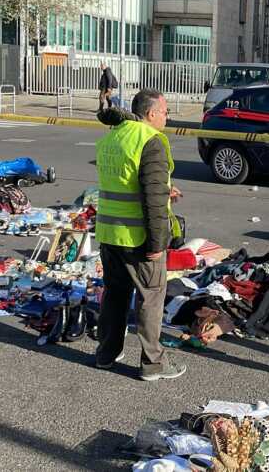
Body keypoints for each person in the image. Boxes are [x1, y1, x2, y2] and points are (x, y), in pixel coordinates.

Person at [94, 89, 186, 382]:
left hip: (110, 232)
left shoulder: (113, 136)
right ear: (150, 113)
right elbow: (152, 200)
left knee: (115, 295)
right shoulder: (151, 140)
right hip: (138, 237)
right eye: (165, 112)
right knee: (151, 297)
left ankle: (106, 353)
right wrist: (158, 243)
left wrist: (163, 189)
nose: (167, 117)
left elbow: (124, 180)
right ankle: (153, 364)